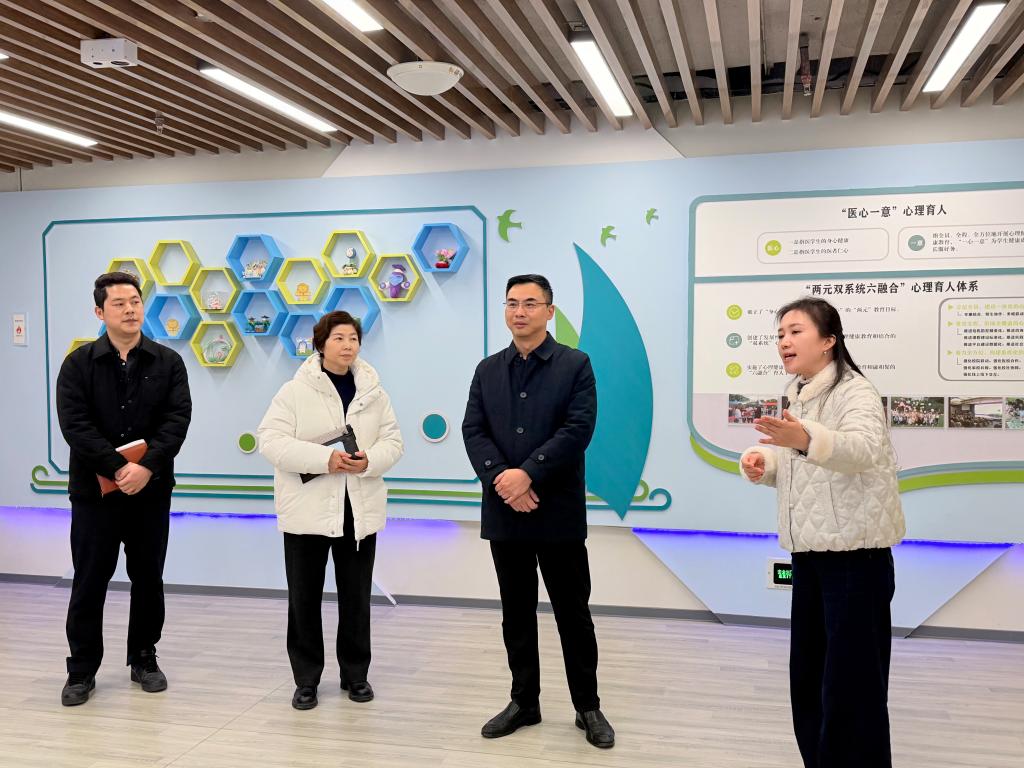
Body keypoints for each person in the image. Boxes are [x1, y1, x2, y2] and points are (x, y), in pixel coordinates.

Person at [739, 296, 904, 768]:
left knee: (851, 690)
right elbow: (808, 467)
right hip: (811, 556)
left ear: (829, 341)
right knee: (809, 679)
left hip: (855, 559)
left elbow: (862, 450)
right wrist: (766, 463)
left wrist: (805, 439)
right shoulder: (801, 392)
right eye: (780, 334)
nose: (784, 342)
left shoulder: (856, 391)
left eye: (795, 332)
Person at [462, 274, 614, 749]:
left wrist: (529, 474)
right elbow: (473, 430)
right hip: (506, 510)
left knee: (573, 613)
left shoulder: (575, 364)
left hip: (557, 511)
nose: (520, 312)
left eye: (530, 303)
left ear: (550, 311)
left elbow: (578, 429)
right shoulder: (488, 369)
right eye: (512, 303)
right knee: (516, 613)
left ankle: (587, 706)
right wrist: (503, 480)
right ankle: (524, 702)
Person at [55, 271, 192, 706]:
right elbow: (75, 425)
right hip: (94, 493)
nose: (130, 309)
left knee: (148, 576)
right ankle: (81, 670)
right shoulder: (78, 364)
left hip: (150, 490)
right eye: (119, 303)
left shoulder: (168, 362)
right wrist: (118, 468)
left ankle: (144, 658)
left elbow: (177, 420)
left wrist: (146, 468)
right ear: (99, 312)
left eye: (135, 301)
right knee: (90, 579)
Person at [258, 311, 403, 711]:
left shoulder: (374, 392)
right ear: (320, 344)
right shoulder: (294, 391)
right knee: (303, 599)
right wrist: (326, 459)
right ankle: (306, 680)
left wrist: (369, 460)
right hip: (307, 513)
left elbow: (394, 441)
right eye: (338, 338)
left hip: (358, 510)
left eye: (353, 338)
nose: (347, 345)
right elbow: (270, 440)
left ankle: (356, 675)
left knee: (356, 598)